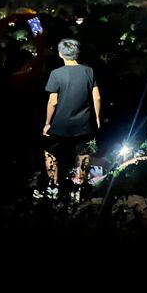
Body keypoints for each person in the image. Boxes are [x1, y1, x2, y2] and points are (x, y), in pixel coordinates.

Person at [41, 39, 100, 200]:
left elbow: (52, 102)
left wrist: (47, 123)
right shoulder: (89, 71)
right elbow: (97, 97)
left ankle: (53, 186)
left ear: (60, 54)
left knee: (51, 152)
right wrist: (98, 117)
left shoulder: (56, 74)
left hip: (60, 124)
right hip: (84, 124)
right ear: (77, 53)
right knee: (84, 153)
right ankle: (82, 185)